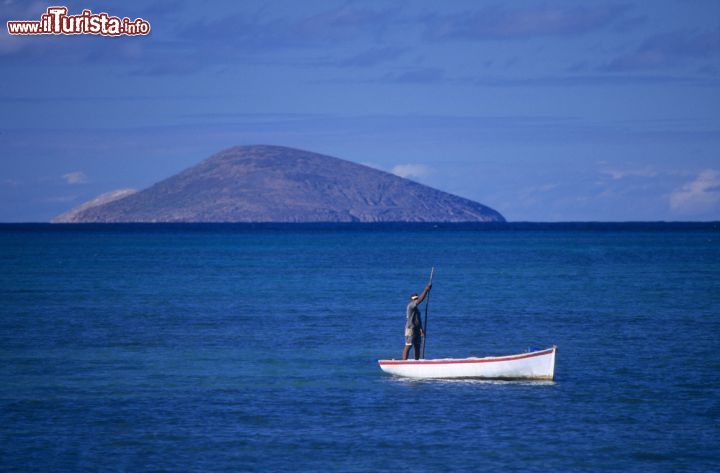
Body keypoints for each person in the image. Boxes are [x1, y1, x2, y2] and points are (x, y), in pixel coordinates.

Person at [402, 282, 432, 360]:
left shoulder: (417, 310)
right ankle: (404, 362)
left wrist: (421, 329)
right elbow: (420, 300)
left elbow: (418, 320)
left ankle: (416, 361)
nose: (415, 300)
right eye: (414, 299)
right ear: (412, 299)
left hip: (417, 329)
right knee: (408, 345)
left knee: (417, 345)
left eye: (416, 298)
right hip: (410, 329)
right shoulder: (410, 306)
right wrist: (426, 290)